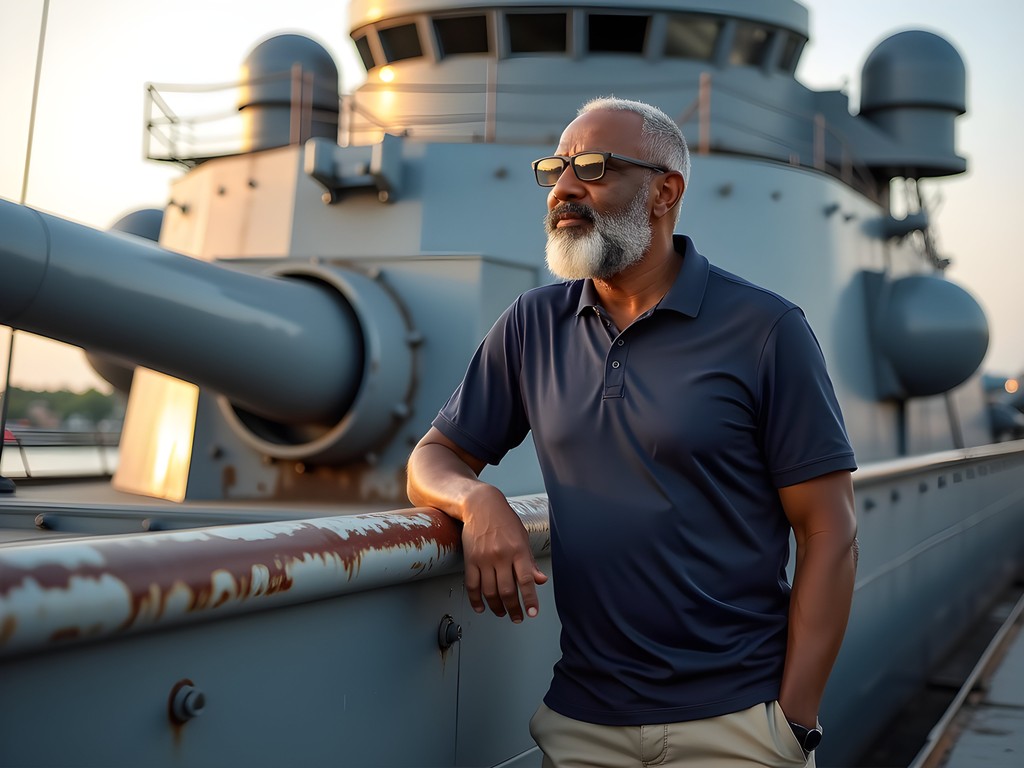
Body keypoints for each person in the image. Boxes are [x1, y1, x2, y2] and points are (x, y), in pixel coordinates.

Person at [406, 97, 858, 768]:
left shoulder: (766, 330)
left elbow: (829, 530)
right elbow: (433, 457)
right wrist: (477, 501)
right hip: (583, 721)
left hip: (736, 725)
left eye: (592, 167)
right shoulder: (534, 324)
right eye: (555, 169)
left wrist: (793, 722)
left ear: (664, 191)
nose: (563, 186)